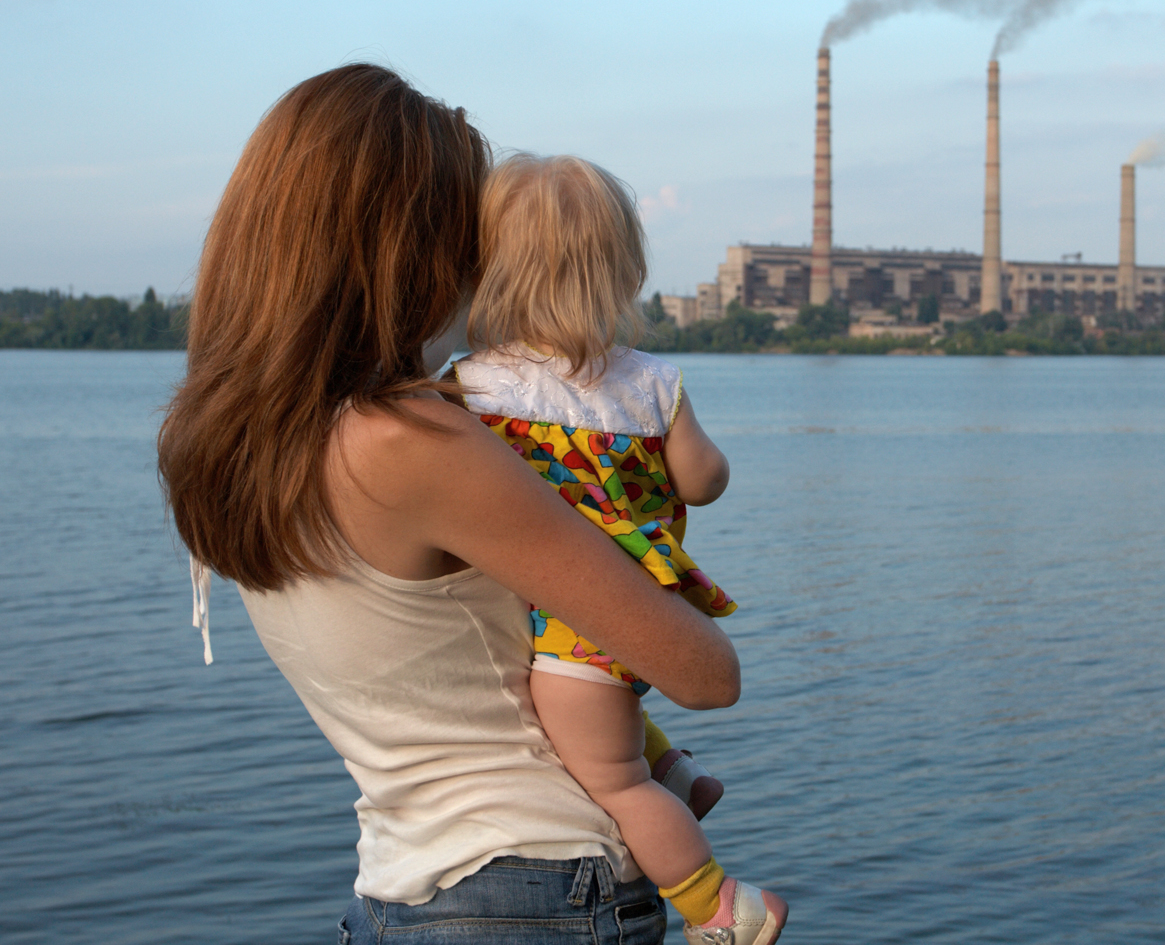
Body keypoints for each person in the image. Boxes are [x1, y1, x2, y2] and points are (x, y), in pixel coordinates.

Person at [158, 64, 743, 945]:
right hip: (538, 888)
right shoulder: (411, 441)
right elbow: (706, 673)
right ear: (409, 250)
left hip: (401, 888)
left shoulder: (234, 445)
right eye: (468, 238)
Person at [452, 154, 787, 944]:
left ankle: (720, 907)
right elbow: (703, 482)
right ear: (625, 269)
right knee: (600, 726)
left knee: (613, 781)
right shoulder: (654, 386)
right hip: (641, 610)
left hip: (570, 622)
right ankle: (679, 773)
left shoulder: (470, 389)